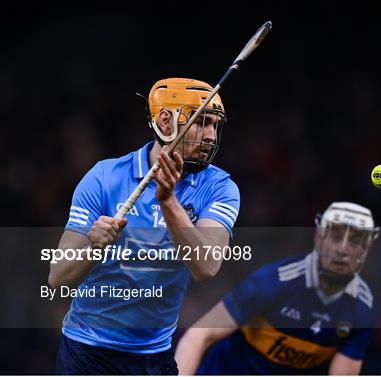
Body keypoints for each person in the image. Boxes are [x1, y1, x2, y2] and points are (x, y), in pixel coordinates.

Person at [50, 78, 240, 375]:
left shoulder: (219, 187)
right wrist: (91, 246)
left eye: (216, 125)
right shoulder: (104, 177)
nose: (210, 136)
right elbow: (58, 277)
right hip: (86, 352)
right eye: (202, 122)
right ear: (165, 121)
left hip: (154, 356)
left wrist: (168, 202)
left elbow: (206, 266)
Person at [177, 202, 379, 375]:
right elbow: (197, 336)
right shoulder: (272, 282)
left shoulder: (362, 309)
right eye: (335, 237)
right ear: (319, 238)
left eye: (355, 241)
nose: (343, 250)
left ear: (366, 249)